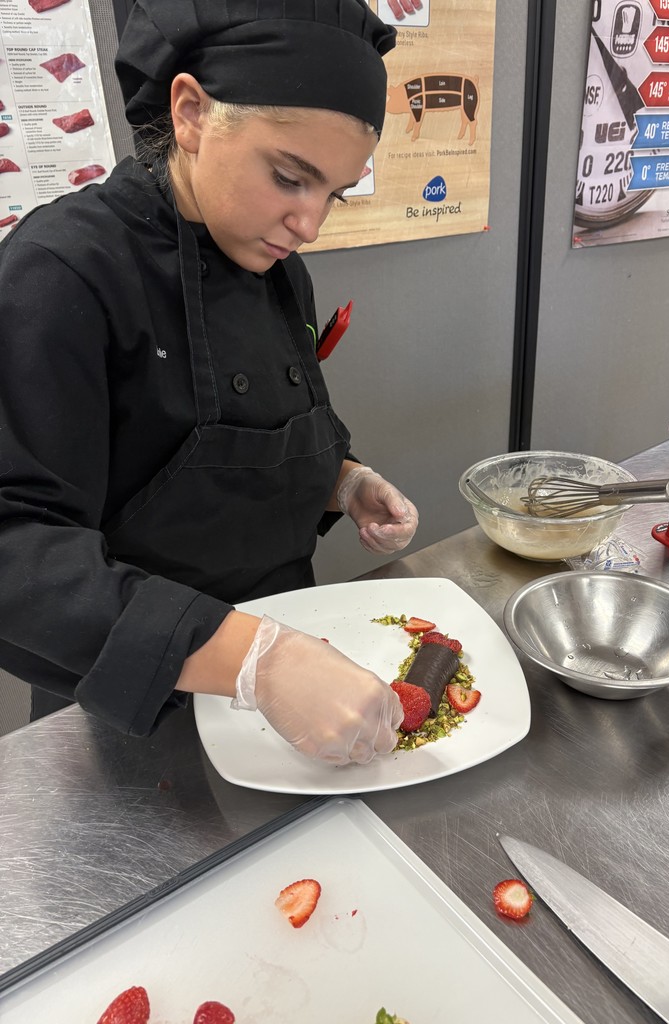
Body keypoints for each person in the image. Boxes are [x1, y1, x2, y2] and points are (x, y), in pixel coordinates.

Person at [0, 0, 418, 766]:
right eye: (290, 178)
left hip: (297, 688)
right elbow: (16, 549)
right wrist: (256, 659)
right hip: (129, 706)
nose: (309, 225)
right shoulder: (60, 274)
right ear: (190, 111)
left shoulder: (279, 271)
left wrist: (342, 480)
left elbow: (245, 430)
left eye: (333, 193)